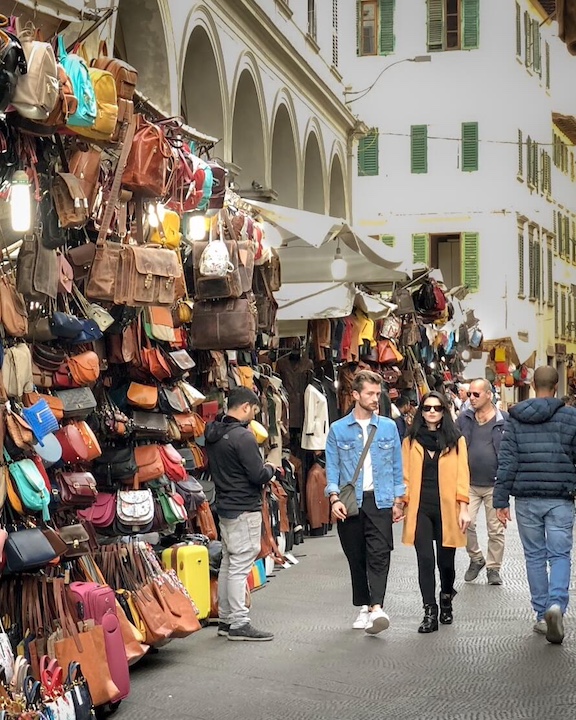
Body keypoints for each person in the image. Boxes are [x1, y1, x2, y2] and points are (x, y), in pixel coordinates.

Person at [494, 366, 576, 645]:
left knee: (535, 557)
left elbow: (507, 461)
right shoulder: (571, 417)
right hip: (560, 497)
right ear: (556, 385)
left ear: (531, 384)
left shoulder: (515, 418)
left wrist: (500, 499)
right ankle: (556, 605)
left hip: (526, 497)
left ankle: (542, 614)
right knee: (560, 555)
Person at [325, 370, 404, 634]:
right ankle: (364, 605)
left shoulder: (388, 426)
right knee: (356, 556)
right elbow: (333, 466)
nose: (375, 398)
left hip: (379, 499)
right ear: (356, 395)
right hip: (350, 501)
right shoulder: (338, 429)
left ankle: (377, 607)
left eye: (377, 393)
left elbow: (396, 465)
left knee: (380, 554)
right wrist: (334, 498)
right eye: (369, 393)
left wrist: (398, 498)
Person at [205, 387, 276, 642]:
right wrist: (270, 469)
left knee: (228, 561)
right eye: (253, 411)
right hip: (243, 505)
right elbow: (257, 474)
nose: (252, 417)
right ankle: (238, 621)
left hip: (225, 504)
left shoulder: (213, 433)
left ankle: (226, 619)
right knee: (239, 563)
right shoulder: (243, 437)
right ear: (245, 407)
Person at [401, 391, 471, 634]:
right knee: (425, 561)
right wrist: (401, 503)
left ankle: (446, 598)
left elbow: (463, 476)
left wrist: (464, 507)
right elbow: (405, 476)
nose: (432, 412)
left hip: (448, 508)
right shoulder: (411, 440)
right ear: (421, 411)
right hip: (420, 508)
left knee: (446, 563)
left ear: (444, 411)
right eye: (427, 407)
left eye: (437, 408)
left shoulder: (456, 440)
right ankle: (429, 611)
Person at [457, 378, 508, 586]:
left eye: (476, 394)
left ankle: (493, 568)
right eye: (469, 394)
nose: (471, 398)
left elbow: (510, 452)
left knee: (495, 529)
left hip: (494, 484)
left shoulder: (503, 419)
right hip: (468, 482)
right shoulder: (464, 418)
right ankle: (476, 558)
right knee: (465, 523)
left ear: (489, 394)